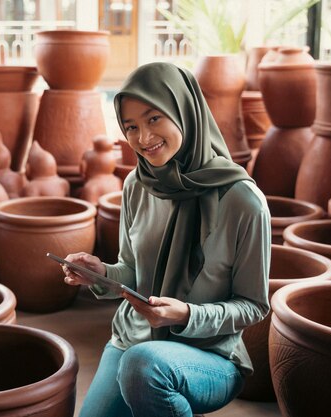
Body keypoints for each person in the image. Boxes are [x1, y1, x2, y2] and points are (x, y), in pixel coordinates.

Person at [62, 62, 271, 417]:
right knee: (137, 366)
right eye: (131, 127)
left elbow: (253, 305)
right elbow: (132, 271)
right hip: (133, 338)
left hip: (209, 355)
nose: (143, 138)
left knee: (146, 368)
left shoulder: (242, 200)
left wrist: (186, 315)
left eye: (154, 119)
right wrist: (101, 273)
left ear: (184, 110)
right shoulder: (136, 186)